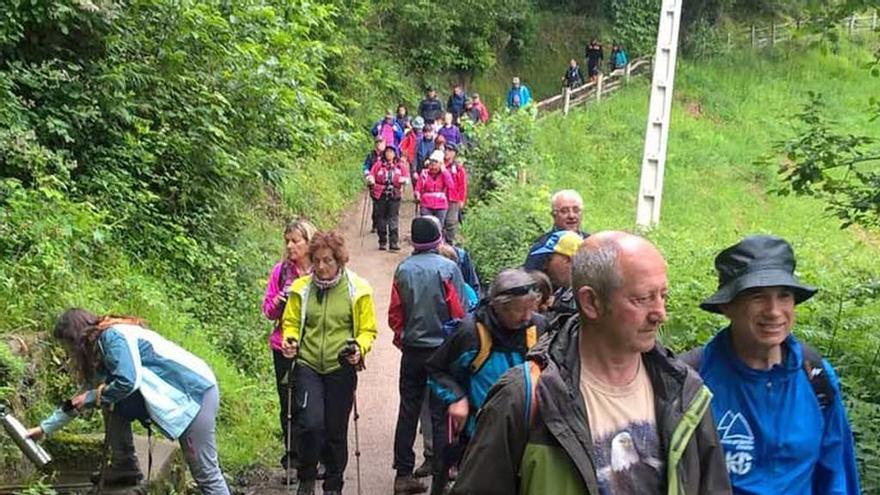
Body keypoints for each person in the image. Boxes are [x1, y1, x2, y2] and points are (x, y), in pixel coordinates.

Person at [452, 231, 731, 494]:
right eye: (643, 298)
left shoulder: (684, 392)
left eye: (663, 296)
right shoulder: (527, 396)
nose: (660, 314)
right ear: (591, 302)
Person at [682, 235, 861, 495]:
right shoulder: (691, 379)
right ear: (727, 306)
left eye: (784, 295)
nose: (774, 311)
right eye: (757, 296)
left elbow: (836, 473)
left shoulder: (815, 376)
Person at [27, 309, 231, 494]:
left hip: (193, 394)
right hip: (183, 393)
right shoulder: (101, 348)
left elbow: (127, 381)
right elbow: (82, 397)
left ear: (77, 338)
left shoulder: (113, 337)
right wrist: (44, 428)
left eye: (68, 346)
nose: (69, 353)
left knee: (206, 475)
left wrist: (90, 397)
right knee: (107, 399)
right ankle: (124, 465)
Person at [427, 269, 547, 493]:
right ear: (498, 306)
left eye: (531, 308)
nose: (527, 317)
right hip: (480, 437)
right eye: (520, 311)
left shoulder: (538, 328)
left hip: (529, 434)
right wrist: (457, 398)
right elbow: (436, 370)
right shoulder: (470, 333)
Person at [280, 231, 378, 495]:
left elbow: (368, 330)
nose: (322, 267)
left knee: (335, 430)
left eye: (328, 261)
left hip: (340, 367)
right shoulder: (301, 289)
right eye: (317, 260)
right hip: (308, 363)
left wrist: (359, 347)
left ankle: (334, 485)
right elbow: (290, 323)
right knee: (310, 424)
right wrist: (290, 340)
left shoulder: (358, 290)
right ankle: (307, 479)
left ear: (340, 260)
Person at [390, 216, 469, 495]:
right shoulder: (448, 268)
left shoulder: (402, 269)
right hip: (441, 353)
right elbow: (461, 311)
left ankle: (402, 474)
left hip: (412, 351)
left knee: (408, 410)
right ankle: (441, 476)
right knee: (439, 415)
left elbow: (395, 313)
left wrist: (403, 339)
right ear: (438, 239)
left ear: (413, 240)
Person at [262, 218, 317, 471]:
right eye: (287, 241)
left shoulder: (321, 271)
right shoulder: (281, 271)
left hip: (314, 346)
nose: (290, 246)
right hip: (283, 345)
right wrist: (280, 303)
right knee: (289, 403)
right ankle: (293, 457)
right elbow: (268, 311)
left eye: (295, 241)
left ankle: (316, 457)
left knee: (314, 405)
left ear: (309, 242)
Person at [523, 230, 583, 326]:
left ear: (568, 260)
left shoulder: (583, 297)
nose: (545, 266)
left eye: (549, 259)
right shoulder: (563, 292)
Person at [525, 189, 588, 269]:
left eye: (576, 210)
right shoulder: (543, 247)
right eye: (564, 211)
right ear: (553, 215)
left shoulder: (590, 243)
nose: (571, 216)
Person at [368, 146, 409, 251]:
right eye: (387, 152)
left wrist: (403, 180)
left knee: (393, 218)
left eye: (391, 152)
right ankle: (382, 241)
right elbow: (371, 174)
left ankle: (393, 242)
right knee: (381, 217)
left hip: (394, 194)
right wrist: (371, 180)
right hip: (381, 194)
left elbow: (406, 177)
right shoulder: (378, 165)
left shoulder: (400, 166)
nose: (389, 154)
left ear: (395, 154)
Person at [414, 150, 454, 226]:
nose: (433, 165)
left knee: (438, 227)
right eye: (432, 162)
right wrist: (417, 195)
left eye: (436, 162)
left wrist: (444, 171)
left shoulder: (444, 174)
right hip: (426, 205)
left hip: (441, 205)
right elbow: (418, 188)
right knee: (426, 226)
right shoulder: (424, 174)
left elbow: (450, 185)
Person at [443, 143, 468, 245]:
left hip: (453, 198)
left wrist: (462, 199)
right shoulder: (439, 164)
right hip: (441, 198)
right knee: (440, 221)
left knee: (451, 221)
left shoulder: (458, 168)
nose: (447, 152)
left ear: (454, 154)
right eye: (446, 150)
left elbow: (462, 185)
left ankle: (450, 243)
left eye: (450, 151)